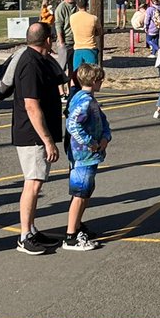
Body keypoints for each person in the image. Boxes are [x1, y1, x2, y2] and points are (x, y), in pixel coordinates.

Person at [11, 22, 67, 255]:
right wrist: (48, 141)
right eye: (51, 38)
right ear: (47, 40)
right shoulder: (30, 64)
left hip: (35, 134)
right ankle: (24, 236)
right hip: (31, 135)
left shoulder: (39, 60)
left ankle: (31, 228)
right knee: (33, 184)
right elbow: (32, 106)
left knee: (37, 182)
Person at [64, 62, 109, 250]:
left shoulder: (85, 98)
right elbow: (72, 124)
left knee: (85, 191)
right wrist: (91, 142)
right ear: (94, 80)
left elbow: (103, 119)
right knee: (80, 193)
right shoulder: (85, 101)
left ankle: (78, 225)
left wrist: (106, 136)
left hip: (89, 154)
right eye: (100, 80)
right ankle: (71, 235)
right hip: (83, 154)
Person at [69, 0, 100, 72]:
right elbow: (100, 31)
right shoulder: (93, 18)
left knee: (76, 74)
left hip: (78, 49)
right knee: (92, 74)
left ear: (77, 5)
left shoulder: (72, 18)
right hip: (90, 48)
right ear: (87, 4)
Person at [54, 0, 78, 79]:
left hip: (76, 42)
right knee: (61, 67)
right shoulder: (61, 8)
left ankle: (70, 89)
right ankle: (60, 91)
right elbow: (58, 26)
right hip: (65, 42)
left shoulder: (77, 6)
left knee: (74, 68)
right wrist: (61, 43)